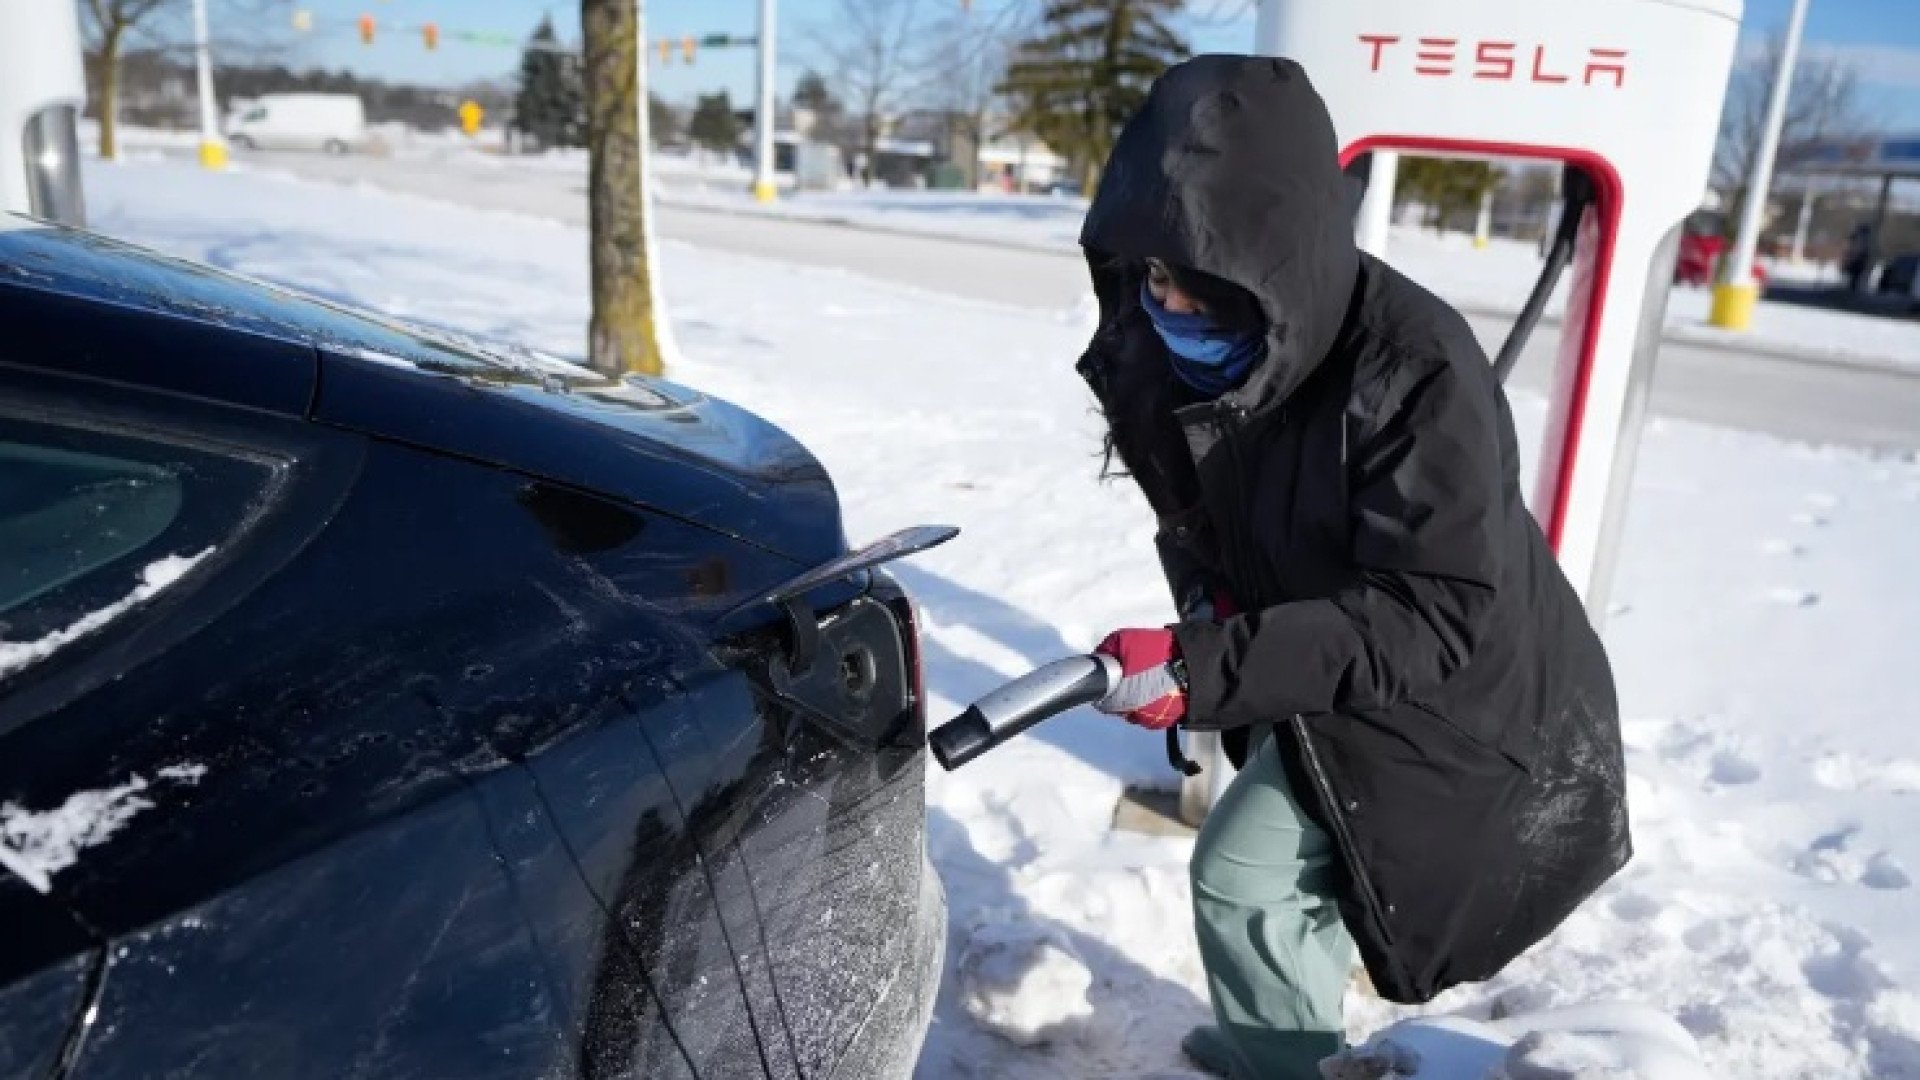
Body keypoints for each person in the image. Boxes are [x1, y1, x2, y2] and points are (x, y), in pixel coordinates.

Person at [1075, 56, 1631, 1079]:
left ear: (1275, 263)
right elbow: (1211, 515)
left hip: (1458, 702)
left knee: (1244, 877)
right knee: (1300, 875)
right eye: (1152, 278)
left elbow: (1436, 611)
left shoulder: (1414, 371)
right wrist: (1212, 604)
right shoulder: (1211, 352)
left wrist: (1206, 667)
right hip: (1333, 659)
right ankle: (1277, 1036)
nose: (1167, 309)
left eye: (1199, 289)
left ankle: (1283, 1061)